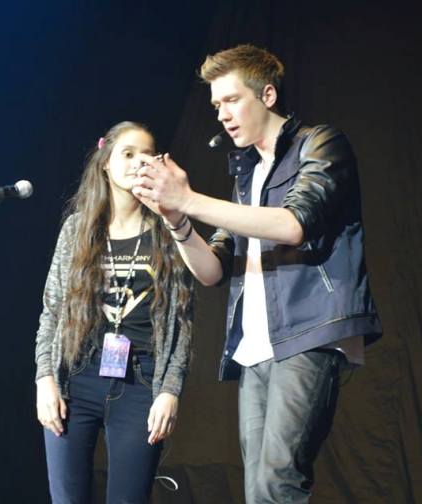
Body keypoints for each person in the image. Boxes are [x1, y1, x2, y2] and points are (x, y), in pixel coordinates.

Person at [131, 44, 382, 503]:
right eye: (215, 105)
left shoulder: (320, 144)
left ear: (266, 95)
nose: (222, 115)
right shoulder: (246, 178)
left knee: (277, 483)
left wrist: (189, 200)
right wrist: (175, 219)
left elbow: (292, 224)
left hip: (308, 336)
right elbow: (211, 270)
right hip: (254, 349)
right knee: (259, 491)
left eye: (231, 100)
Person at [34, 121, 194, 503]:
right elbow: (51, 309)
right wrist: (45, 378)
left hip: (141, 383)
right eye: (128, 153)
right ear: (105, 162)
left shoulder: (166, 231)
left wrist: (170, 390)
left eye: (147, 154)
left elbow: (183, 319)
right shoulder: (78, 229)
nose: (139, 162)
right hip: (76, 377)